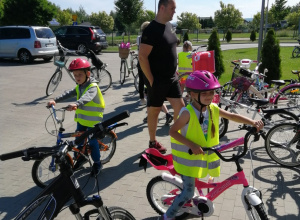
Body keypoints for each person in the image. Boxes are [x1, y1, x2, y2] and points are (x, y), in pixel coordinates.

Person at [161, 70, 264, 220]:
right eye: (204, 94)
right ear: (192, 94)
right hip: (187, 161)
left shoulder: (212, 108)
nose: (209, 97)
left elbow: (232, 115)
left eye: (211, 93)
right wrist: (192, 145)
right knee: (188, 193)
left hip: (202, 156)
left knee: (204, 180)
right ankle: (167, 216)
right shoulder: (187, 113)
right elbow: (172, 131)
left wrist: (253, 122)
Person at [139, 0, 184, 154]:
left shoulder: (170, 26)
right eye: (172, 8)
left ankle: (178, 136)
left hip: (171, 77)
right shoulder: (151, 30)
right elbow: (142, 57)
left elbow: (170, 47)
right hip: (157, 79)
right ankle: (153, 142)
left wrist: (174, 68)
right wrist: (151, 80)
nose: (174, 12)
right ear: (162, 8)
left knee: (181, 108)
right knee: (154, 111)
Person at [47, 58, 105, 177]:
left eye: (79, 74)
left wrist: (76, 104)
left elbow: (87, 97)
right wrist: (55, 100)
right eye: (75, 75)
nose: (77, 77)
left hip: (93, 122)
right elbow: (69, 94)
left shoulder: (92, 87)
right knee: (79, 141)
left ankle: (98, 164)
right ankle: (82, 158)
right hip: (82, 120)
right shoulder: (79, 86)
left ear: (88, 74)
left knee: (93, 143)